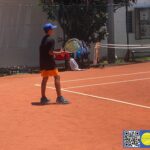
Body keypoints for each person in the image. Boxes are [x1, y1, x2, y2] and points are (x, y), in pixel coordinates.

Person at [39, 23, 69, 104]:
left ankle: (43, 98)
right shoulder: (51, 40)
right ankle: (59, 98)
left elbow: (46, 51)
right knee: (57, 77)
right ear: (49, 30)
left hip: (43, 62)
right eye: (52, 29)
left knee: (45, 79)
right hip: (50, 62)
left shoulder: (43, 39)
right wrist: (60, 53)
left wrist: (59, 52)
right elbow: (50, 52)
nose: (53, 30)